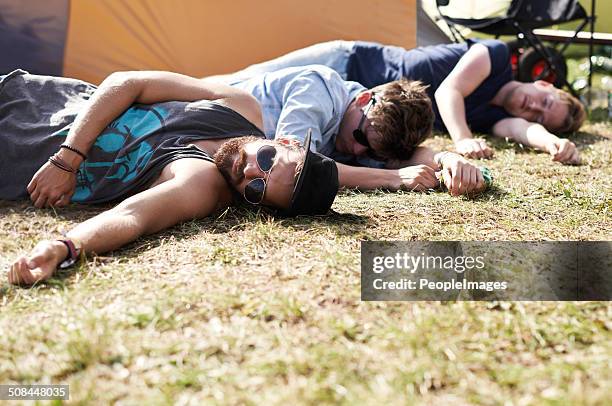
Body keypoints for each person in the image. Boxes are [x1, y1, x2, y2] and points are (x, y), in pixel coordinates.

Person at [2, 69, 338, 285]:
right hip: (23, 93)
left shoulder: (202, 182)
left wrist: (64, 247)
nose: (249, 172)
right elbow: (129, 83)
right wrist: (67, 160)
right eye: (267, 160)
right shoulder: (240, 105)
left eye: (256, 189)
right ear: (285, 141)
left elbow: (133, 217)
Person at [209, 39, 586, 164]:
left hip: (369, 112)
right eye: (543, 101)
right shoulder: (498, 56)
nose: (533, 107)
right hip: (345, 64)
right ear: (545, 84)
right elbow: (447, 91)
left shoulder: (492, 114)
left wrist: (550, 141)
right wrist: (461, 139)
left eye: (541, 115)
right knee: (239, 81)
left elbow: (520, 128)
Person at [205, 64, 487, 195]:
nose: (356, 150)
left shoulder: (366, 127)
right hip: (188, 121)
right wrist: (390, 178)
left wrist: (448, 160)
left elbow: (408, 157)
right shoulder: (319, 87)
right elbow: (297, 163)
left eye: (369, 151)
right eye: (361, 137)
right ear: (363, 99)